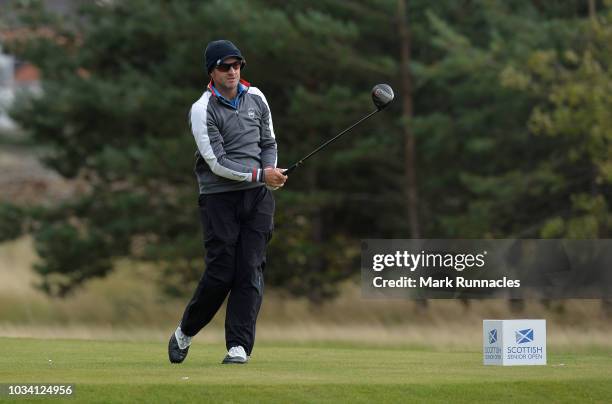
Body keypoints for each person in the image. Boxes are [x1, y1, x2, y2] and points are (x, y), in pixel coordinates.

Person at [168, 40, 287, 365]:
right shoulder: (202, 109)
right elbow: (216, 162)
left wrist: (269, 173)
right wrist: (261, 175)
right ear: (212, 72)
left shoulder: (257, 98)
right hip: (219, 199)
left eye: (236, 65)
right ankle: (185, 331)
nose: (232, 71)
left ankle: (238, 346)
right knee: (221, 273)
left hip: (257, 197)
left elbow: (268, 142)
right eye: (225, 66)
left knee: (250, 269)